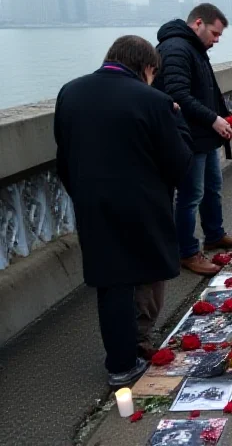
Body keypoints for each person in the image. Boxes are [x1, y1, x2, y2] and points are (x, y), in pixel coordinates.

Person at [54, 35, 193, 386]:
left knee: (111, 282)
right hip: (142, 204)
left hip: (93, 203)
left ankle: (120, 363)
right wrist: (177, 120)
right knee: (145, 272)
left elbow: (64, 157)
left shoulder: (70, 93)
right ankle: (136, 344)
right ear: (147, 67)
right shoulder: (154, 100)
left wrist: (83, 195)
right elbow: (179, 163)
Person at [154, 3, 232, 277]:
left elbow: (206, 90)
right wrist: (212, 119)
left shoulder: (194, 48)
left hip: (204, 136)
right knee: (190, 196)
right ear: (198, 24)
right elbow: (177, 94)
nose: (216, 40)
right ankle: (188, 252)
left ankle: (215, 234)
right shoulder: (176, 49)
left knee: (212, 188)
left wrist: (223, 114)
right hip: (189, 138)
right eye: (214, 34)